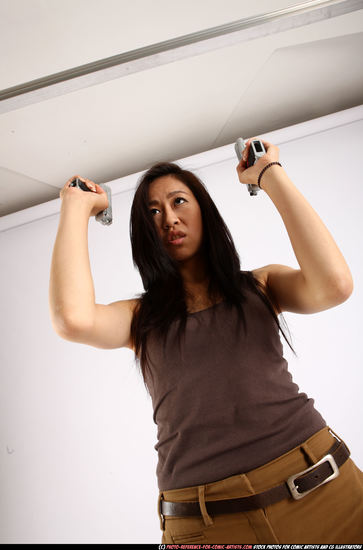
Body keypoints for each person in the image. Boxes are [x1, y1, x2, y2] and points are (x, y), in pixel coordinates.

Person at [50, 138, 363, 543]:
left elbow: (335, 286)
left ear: (204, 211)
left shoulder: (262, 285)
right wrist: (74, 207)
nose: (168, 219)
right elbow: (71, 319)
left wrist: (268, 174)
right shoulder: (138, 319)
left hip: (322, 488)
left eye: (179, 201)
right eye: (153, 212)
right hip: (205, 523)